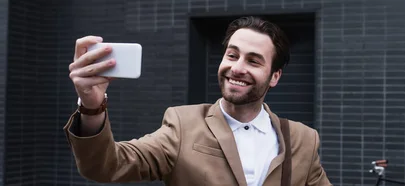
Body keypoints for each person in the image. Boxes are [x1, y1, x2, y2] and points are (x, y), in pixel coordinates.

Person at [63, 16, 332, 186]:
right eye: (232, 55)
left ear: (274, 76)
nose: (237, 68)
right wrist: (91, 105)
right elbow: (105, 167)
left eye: (253, 60)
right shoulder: (183, 124)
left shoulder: (303, 139)